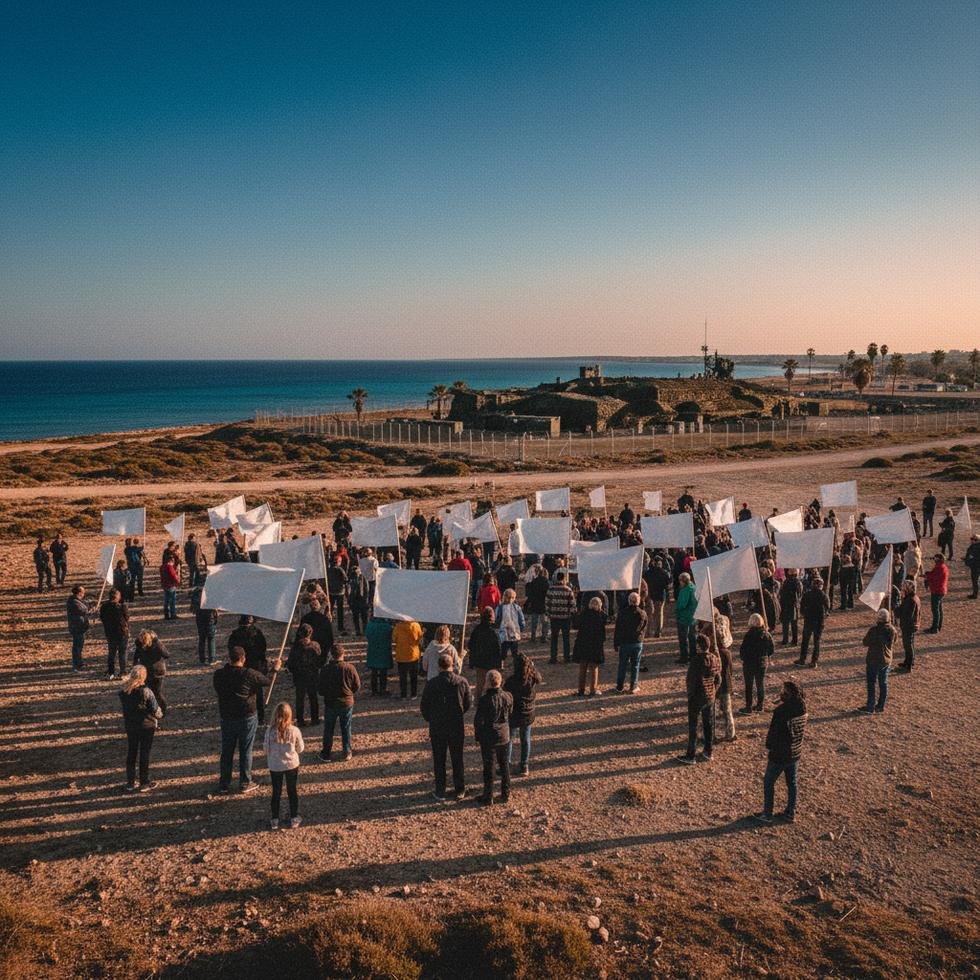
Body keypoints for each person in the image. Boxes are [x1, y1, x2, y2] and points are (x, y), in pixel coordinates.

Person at [213, 645, 279, 793]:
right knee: (246, 749)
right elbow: (267, 681)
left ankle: (224, 783)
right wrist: (275, 668)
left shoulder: (218, 674)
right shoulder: (249, 674)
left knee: (227, 750)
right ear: (243, 658)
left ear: (229, 658)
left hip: (227, 716)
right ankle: (245, 781)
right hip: (246, 716)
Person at [420, 651, 472, 801]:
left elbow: (424, 706)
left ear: (439, 666)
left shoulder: (432, 684)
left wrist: (431, 718)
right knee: (457, 758)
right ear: (452, 665)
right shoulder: (462, 682)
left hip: (438, 726)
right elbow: (468, 702)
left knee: (439, 759)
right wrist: (460, 713)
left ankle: (440, 790)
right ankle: (459, 789)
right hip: (456, 725)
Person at [754, 680, 807, 824]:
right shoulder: (802, 708)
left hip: (780, 754)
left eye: (783, 692)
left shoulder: (781, 712)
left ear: (788, 695)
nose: (781, 694)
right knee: (792, 783)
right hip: (795, 753)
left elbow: (773, 734)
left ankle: (767, 813)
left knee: (769, 783)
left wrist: (769, 747)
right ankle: (790, 812)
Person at [119, 664, 163, 792]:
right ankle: (144, 782)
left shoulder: (123, 692)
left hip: (131, 726)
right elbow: (155, 710)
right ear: (144, 677)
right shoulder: (146, 691)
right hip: (146, 726)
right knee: (144, 753)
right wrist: (160, 714)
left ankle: (130, 782)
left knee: (132, 752)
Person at [474, 669, 513, 806]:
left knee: (489, 767)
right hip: (504, 735)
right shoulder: (508, 696)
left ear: (488, 683)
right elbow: (510, 712)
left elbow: (478, 720)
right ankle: (505, 793)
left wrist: (478, 736)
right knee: (504, 765)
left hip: (489, 736)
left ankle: (488, 795)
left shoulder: (484, 700)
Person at [264, 702, 305, 829]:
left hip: (275, 765)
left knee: (276, 791)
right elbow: (300, 748)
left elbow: (266, 748)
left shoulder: (270, 731)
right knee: (292, 790)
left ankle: (275, 819)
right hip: (291, 764)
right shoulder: (294, 730)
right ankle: (294, 817)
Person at [680, 634, 721, 764]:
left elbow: (691, 680)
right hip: (710, 696)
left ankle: (691, 755)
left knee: (693, 726)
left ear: (699, 646)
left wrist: (690, 695)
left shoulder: (696, 661)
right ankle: (708, 751)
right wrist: (713, 690)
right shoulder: (715, 659)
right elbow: (718, 679)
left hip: (697, 696)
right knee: (708, 724)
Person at [318, 644, 361, 761]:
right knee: (346, 728)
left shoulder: (325, 669)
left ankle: (326, 753)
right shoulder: (350, 668)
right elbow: (357, 685)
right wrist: (349, 693)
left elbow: (320, 689)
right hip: (346, 702)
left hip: (330, 703)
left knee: (328, 728)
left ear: (331, 655)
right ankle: (347, 751)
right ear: (343, 654)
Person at [504, 653, 541, 777]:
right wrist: (532, 667)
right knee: (525, 739)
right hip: (528, 713)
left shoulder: (511, 681)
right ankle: (524, 765)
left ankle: (506, 764)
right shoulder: (532, 678)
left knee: (509, 739)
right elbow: (539, 677)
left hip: (514, 713)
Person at [228, 616, 269, 723]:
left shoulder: (235, 634)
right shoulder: (257, 633)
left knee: (239, 691)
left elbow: (231, 650)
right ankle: (260, 717)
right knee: (258, 692)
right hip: (256, 666)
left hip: (240, 667)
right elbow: (263, 648)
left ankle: (240, 714)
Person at [860, 608, 897, 714]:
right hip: (886, 660)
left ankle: (871, 706)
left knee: (871, 683)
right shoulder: (892, 630)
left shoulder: (874, 630)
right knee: (883, 683)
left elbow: (865, 642)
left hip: (873, 659)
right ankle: (881, 705)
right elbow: (895, 641)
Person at [286, 623, 322, 727]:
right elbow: (319, 660)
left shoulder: (296, 646)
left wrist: (293, 671)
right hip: (312, 675)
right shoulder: (315, 645)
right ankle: (315, 718)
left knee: (300, 698)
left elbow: (291, 662)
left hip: (300, 676)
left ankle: (300, 719)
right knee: (313, 697)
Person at [572, 596, 607, 697]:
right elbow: (602, 634)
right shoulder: (600, 617)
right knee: (594, 668)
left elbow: (576, 625)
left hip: (583, 644)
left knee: (582, 667)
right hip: (595, 645)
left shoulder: (583, 614)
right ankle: (593, 689)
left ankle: (581, 689)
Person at [738, 613, 773, 713]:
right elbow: (771, 649)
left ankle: (748, 707)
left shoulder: (748, 635)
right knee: (760, 684)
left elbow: (743, 650)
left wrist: (743, 659)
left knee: (749, 686)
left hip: (749, 664)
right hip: (762, 663)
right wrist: (765, 656)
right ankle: (760, 705)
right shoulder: (766, 634)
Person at [613, 591, 646, 693]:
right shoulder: (643, 613)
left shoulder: (622, 613)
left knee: (622, 664)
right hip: (637, 642)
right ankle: (633, 686)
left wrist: (616, 643)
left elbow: (618, 629)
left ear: (629, 601)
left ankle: (619, 686)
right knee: (635, 664)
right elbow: (644, 627)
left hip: (625, 642)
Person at [132, 629, 170, 716]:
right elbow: (166, 655)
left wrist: (135, 667)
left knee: (148, 692)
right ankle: (161, 710)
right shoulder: (156, 644)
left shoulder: (139, 644)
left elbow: (135, 657)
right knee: (157, 692)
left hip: (146, 672)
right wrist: (157, 641)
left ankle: (152, 709)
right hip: (157, 671)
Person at [468, 607, 503, 696]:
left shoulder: (477, 630)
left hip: (480, 661)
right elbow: (498, 648)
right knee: (492, 682)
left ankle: (478, 701)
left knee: (480, 683)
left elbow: (470, 644)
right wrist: (500, 662)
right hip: (491, 662)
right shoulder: (494, 632)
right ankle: (492, 699)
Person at [796, 576, 830, 667]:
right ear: (821, 585)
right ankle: (814, 661)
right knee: (816, 642)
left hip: (809, 620)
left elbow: (802, 606)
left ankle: (802, 659)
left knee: (805, 640)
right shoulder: (824, 595)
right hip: (819, 621)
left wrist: (804, 613)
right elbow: (827, 607)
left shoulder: (807, 594)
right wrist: (825, 614)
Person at [545, 571, 576, 664]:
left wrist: (549, 614)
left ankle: (553, 658)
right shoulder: (568, 590)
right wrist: (572, 614)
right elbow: (572, 605)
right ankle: (567, 657)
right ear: (564, 579)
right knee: (566, 639)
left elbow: (547, 603)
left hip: (554, 617)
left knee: (554, 638)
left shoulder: (551, 589)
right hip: (565, 618)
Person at [99, 587, 130, 679]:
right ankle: (123, 672)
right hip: (121, 632)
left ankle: (111, 672)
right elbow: (127, 617)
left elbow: (102, 618)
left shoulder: (104, 606)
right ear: (117, 597)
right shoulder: (121, 606)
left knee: (111, 653)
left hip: (110, 632)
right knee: (122, 652)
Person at [393, 618, 423, 699]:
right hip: (413, 655)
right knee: (413, 676)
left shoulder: (398, 626)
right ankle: (414, 694)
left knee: (403, 677)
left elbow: (394, 639)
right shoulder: (416, 625)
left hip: (401, 655)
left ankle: (403, 695)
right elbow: (420, 639)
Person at [894, 579, 920, 672]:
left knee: (908, 645)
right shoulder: (913, 598)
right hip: (911, 625)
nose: (903, 589)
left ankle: (908, 666)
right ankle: (908, 662)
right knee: (909, 644)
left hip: (908, 626)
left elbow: (905, 614)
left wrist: (897, 607)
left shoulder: (910, 600)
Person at [365, 615, 394, 696]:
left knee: (373, 672)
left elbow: (367, 635)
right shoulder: (387, 626)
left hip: (373, 650)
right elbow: (392, 636)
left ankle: (374, 691)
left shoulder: (370, 625)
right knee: (383, 672)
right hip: (384, 650)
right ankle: (383, 689)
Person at [66, 585, 92, 671]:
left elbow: (85, 607)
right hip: (76, 626)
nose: (84, 593)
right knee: (77, 646)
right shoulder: (73, 601)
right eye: (83, 592)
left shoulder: (78, 600)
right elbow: (82, 610)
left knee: (79, 646)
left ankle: (79, 661)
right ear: (79, 592)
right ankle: (76, 664)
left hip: (80, 626)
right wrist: (89, 611)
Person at [190, 586, 218, 664]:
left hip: (199, 615)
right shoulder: (210, 590)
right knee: (211, 637)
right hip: (209, 616)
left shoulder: (196, 591)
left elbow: (192, 607)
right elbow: (215, 605)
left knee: (202, 638)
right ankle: (211, 658)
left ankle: (202, 658)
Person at [494, 588, 525, 660]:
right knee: (514, 651)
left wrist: (496, 628)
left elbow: (496, 619)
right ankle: (516, 664)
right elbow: (521, 620)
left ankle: (501, 664)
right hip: (514, 633)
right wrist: (521, 628)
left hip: (503, 633)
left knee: (503, 651)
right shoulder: (517, 608)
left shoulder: (499, 608)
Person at [674, 572, 697, 665]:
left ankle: (684, 657)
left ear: (683, 581)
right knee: (692, 637)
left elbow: (682, 604)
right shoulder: (693, 587)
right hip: (693, 616)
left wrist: (677, 609)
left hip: (685, 617)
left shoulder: (685, 590)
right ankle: (693, 655)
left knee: (683, 638)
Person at [524, 566, 550, 644]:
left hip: (535, 603)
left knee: (534, 622)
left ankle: (533, 637)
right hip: (543, 604)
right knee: (545, 622)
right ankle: (544, 637)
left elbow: (529, 593)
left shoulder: (534, 581)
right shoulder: (547, 583)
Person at [924, 553, 948, 633]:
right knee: (939, 609)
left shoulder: (939, 568)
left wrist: (926, 575)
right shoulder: (942, 567)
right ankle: (938, 626)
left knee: (935, 610)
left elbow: (934, 577)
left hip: (937, 591)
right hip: (941, 590)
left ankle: (935, 628)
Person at [778, 569, 803, 646]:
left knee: (785, 624)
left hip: (786, 605)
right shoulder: (798, 583)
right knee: (794, 624)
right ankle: (794, 640)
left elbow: (781, 593)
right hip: (793, 605)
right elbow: (800, 594)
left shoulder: (786, 582)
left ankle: (785, 640)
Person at [347, 563, 370, 636]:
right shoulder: (350, 579)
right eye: (354, 572)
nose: (356, 573)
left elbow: (366, 589)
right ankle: (357, 630)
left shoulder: (363, 578)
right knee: (355, 617)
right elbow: (348, 591)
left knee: (364, 617)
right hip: (354, 600)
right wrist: (349, 601)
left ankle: (365, 630)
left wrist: (366, 600)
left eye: (357, 571)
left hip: (362, 600)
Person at [327, 556, 349, 634]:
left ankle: (328, 625)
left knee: (330, 609)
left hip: (331, 592)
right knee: (340, 610)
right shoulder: (340, 569)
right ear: (339, 562)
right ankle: (340, 626)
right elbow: (346, 579)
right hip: (340, 592)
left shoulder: (329, 570)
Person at [160, 556, 180, 620]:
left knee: (166, 601)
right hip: (171, 585)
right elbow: (173, 576)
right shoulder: (170, 567)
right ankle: (173, 614)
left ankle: (166, 614)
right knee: (172, 601)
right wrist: (177, 582)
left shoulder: (162, 567)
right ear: (171, 561)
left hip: (165, 585)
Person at [964, 533, 980, 600]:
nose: (972, 540)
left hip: (975, 567)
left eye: (974, 539)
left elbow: (971, 557)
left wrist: (967, 561)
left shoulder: (974, 547)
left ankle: (975, 595)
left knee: (975, 581)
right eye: (971, 539)